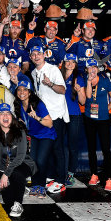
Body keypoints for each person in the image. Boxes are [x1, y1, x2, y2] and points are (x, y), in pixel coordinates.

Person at [0, 101, 36, 216]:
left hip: (22, 165)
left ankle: (18, 204)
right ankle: (20, 186)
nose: (5, 116)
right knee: (7, 200)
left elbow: (20, 157)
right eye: (2, 113)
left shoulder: (19, 131)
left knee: (15, 174)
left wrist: (5, 175)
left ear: (12, 116)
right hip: (1, 168)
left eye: (8, 113)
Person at [29, 46, 69, 194]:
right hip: (45, 116)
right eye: (33, 54)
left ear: (44, 55)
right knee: (49, 147)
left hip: (56, 114)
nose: (36, 56)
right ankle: (51, 176)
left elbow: (63, 90)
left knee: (57, 148)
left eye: (38, 53)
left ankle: (61, 180)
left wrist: (50, 84)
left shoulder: (53, 70)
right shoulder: (34, 72)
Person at [75, 59, 111, 192]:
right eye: (90, 67)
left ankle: (109, 178)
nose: (92, 70)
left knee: (106, 149)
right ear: (86, 69)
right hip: (89, 118)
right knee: (91, 147)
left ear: (98, 69)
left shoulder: (105, 81)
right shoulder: (84, 80)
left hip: (103, 119)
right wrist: (88, 82)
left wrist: (105, 109)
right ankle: (94, 174)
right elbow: (87, 98)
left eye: (95, 67)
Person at [60, 54, 84, 186]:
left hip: (74, 115)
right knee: (58, 145)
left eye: (72, 61)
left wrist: (79, 91)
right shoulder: (57, 75)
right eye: (67, 61)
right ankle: (59, 172)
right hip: (59, 115)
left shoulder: (78, 78)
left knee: (72, 146)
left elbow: (83, 101)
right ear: (63, 63)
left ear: (75, 64)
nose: (69, 63)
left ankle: (70, 174)